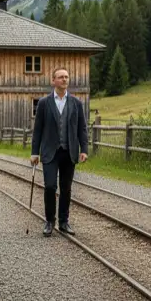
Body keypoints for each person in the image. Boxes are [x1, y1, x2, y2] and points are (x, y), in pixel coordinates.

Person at [31, 67, 88, 237]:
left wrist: (84, 149)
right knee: (50, 186)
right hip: (50, 152)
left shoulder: (76, 103)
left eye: (66, 77)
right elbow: (38, 130)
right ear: (53, 81)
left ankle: (64, 222)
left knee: (66, 188)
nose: (64, 79)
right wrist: (34, 152)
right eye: (61, 77)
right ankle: (49, 221)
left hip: (69, 151)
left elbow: (82, 128)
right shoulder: (44, 103)